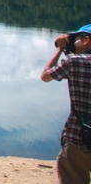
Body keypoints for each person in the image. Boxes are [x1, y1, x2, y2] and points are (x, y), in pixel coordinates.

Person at [41, 24, 91, 183]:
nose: (73, 42)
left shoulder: (74, 62)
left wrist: (59, 50)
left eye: (76, 39)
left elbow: (45, 76)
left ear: (87, 40)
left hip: (78, 138)